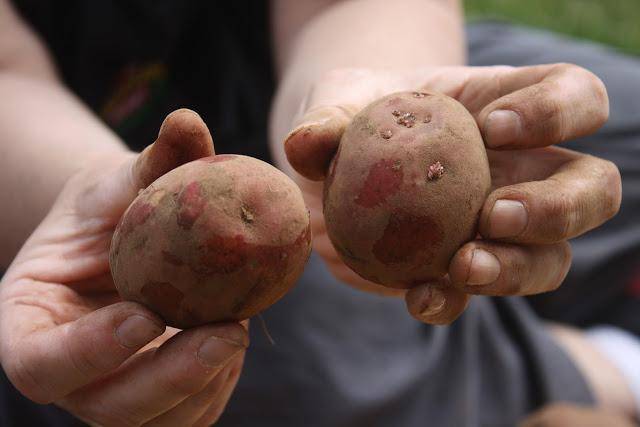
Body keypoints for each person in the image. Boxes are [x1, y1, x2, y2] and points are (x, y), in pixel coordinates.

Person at [0, 0, 637, 426]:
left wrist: (363, 89)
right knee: (288, 361)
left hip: (296, 70)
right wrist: (92, 198)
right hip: (52, 169)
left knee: (609, 128)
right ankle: (604, 372)